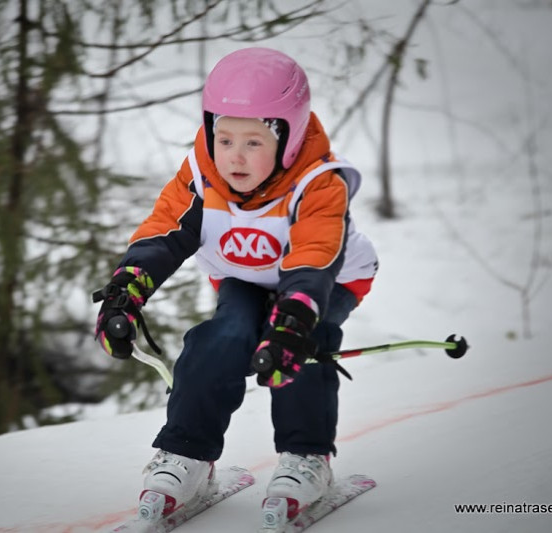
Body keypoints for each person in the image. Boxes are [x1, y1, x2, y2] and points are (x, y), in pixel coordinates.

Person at [93, 47, 378, 519]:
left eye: (253, 142)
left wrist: (293, 318)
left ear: (288, 138)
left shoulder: (319, 182)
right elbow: (163, 232)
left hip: (325, 281)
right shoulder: (202, 175)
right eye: (224, 139)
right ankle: (188, 454)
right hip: (244, 276)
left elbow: (313, 257)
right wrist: (126, 292)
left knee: (301, 339)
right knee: (221, 337)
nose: (235, 158)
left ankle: (307, 457)